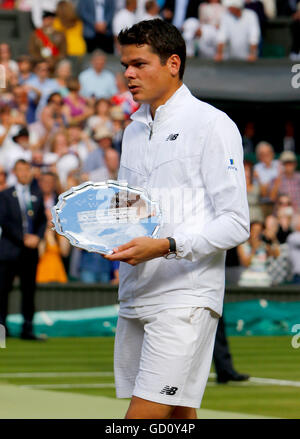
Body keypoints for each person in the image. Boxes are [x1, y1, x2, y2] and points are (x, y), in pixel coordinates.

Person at [104, 19, 249, 419]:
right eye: (125, 66)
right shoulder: (132, 130)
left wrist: (166, 246)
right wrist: (94, 229)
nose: (129, 74)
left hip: (185, 298)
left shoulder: (212, 124)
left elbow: (236, 222)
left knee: (141, 419)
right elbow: (128, 209)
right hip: (135, 295)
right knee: (178, 416)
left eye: (139, 63)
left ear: (172, 63)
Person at [0, 159, 47, 339]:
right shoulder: (5, 195)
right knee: (2, 292)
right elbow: (4, 220)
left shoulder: (36, 194)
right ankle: (2, 329)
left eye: (27, 170)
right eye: (21, 170)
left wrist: (38, 236)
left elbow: (42, 219)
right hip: (9, 251)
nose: (24, 173)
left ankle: (27, 328)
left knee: (29, 292)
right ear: (15, 172)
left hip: (30, 252)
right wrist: (23, 238)